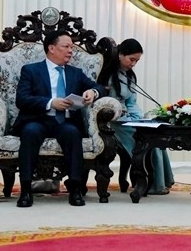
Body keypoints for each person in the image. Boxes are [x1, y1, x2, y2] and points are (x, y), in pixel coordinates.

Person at [13, 30, 106, 208]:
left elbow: (100, 87)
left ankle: (76, 189)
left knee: (72, 133)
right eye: (66, 46)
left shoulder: (75, 73)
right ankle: (25, 190)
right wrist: (50, 103)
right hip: (38, 119)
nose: (71, 51)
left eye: (72, 47)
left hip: (66, 122)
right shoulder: (31, 70)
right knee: (30, 132)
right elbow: (22, 99)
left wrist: (92, 92)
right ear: (52, 48)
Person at [98, 38, 175, 195]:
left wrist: (140, 120)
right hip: (113, 122)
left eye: (136, 61)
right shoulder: (106, 75)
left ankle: (160, 182)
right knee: (144, 139)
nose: (133, 64)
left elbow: (132, 103)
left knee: (155, 135)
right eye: (131, 59)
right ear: (120, 54)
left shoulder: (130, 76)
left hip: (128, 120)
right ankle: (151, 182)